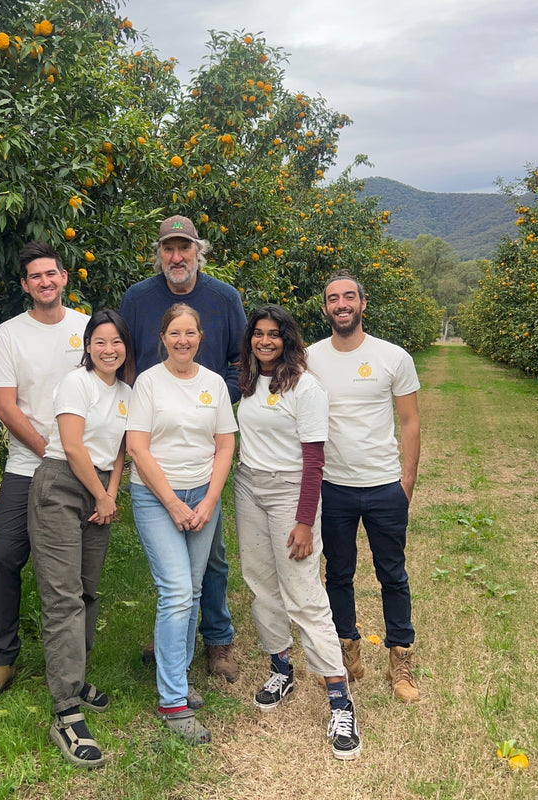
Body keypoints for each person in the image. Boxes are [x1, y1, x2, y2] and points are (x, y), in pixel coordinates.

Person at [119, 215, 245, 683]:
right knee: (175, 569)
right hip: (154, 434)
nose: (177, 257)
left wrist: (217, 404)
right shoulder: (138, 298)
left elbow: (240, 358)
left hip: (207, 434)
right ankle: (174, 634)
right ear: (160, 254)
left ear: (198, 252)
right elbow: (123, 358)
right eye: (168, 249)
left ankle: (218, 639)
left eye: (185, 248)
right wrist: (142, 405)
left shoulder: (223, 298)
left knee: (210, 554)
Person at [234, 305, 361, 760]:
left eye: (274, 335)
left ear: (288, 341)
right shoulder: (248, 382)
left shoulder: (305, 387)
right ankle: (280, 667)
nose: (265, 342)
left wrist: (306, 520)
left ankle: (339, 699)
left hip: (291, 492)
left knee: (303, 593)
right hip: (248, 485)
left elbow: (314, 460)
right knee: (261, 585)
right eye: (258, 335)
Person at [0, 241, 88, 701]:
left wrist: (77, 455)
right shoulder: (9, 334)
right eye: (35, 276)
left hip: (81, 464)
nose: (44, 281)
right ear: (25, 285)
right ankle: (2, 660)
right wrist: (49, 451)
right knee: (3, 557)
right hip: (28, 465)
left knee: (72, 572)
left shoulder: (86, 327)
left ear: (64, 277)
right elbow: (3, 404)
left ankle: (74, 658)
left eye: (51, 274)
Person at [307, 270, 421, 703]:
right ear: (325, 309)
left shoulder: (393, 357)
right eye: (333, 298)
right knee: (338, 573)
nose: (341, 304)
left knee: (392, 574)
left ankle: (400, 661)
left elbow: (409, 422)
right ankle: (347, 652)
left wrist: (406, 481)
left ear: (362, 304)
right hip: (333, 485)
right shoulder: (311, 358)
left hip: (382, 485)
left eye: (349, 297)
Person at [126, 304, 237, 744]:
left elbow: (225, 445)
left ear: (200, 337)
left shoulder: (214, 384)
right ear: (163, 337)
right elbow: (137, 446)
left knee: (191, 591)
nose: (183, 340)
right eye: (175, 332)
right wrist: (172, 503)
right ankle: (172, 701)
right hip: (157, 497)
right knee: (175, 591)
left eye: (190, 332)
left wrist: (210, 500)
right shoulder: (149, 383)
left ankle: (178, 675)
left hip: (201, 498)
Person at [28, 309, 134, 769]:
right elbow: (72, 446)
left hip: (99, 489)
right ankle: (66, 710)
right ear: (88, 346)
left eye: (117, 342)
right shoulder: (77, 383)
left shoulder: (128, 392)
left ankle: (76, 675)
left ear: (126, 346)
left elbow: (122, 448)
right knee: (63, 597)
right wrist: (100, 492)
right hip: (62, 487)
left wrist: (109, 494)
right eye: (100, 341)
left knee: (87, 591)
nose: (108, 349)